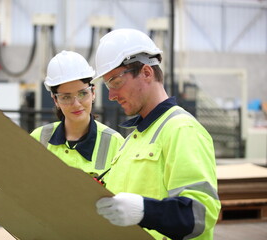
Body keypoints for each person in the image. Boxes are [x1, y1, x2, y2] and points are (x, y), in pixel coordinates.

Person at [92, 29, 221, 240]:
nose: (112, 95)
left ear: (146, 73)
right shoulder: (132, 140)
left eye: (115, 83)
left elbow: (200, 215)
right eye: (108, 85)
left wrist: (145, 211)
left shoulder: (181, 129)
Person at [30, 50, 124, 177]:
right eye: (66, 97)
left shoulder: (115, 143)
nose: (76, 104)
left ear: (93, 93)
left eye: (82, 93)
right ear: (55, 100)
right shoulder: (38, 138)